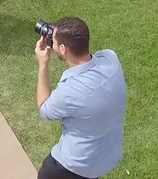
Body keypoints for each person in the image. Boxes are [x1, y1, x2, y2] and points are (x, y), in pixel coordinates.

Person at [35, 17, 127, 179]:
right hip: (106, 157)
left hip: (77, 166)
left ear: (63, 49)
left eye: (54, 42)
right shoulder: (111, 59)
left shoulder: (69, 92)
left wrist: (43, 64)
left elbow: (44, 108)